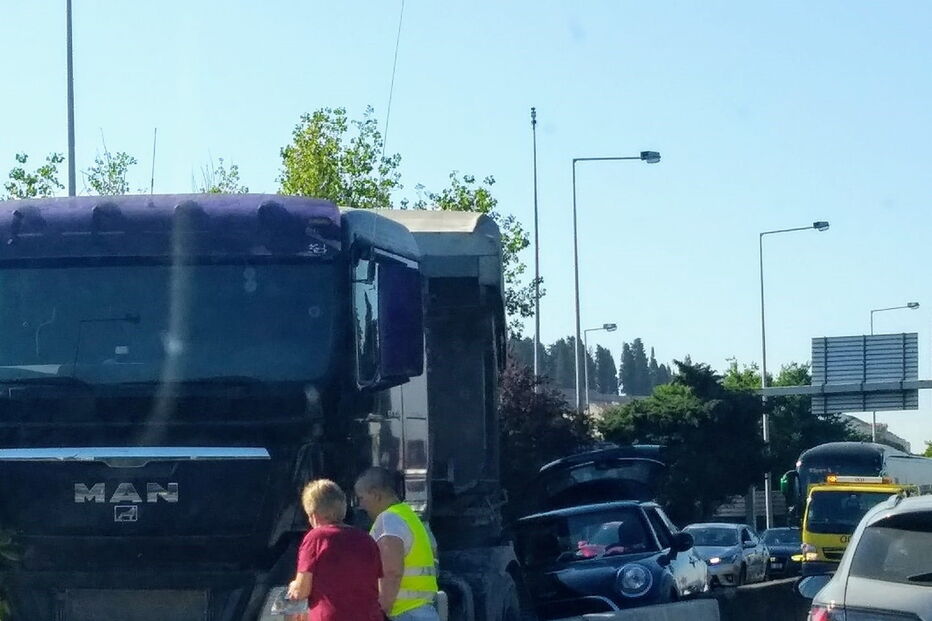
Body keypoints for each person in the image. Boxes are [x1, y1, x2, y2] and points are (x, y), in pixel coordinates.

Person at [286, 479, 383, 621]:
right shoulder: (367, 539)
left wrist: (294, 586)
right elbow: (376, 584)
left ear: (313, 515)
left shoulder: (316, 538)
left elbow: (302, 590)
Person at [354, 467, 440, 621]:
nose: (361, 505)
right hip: (422, 611)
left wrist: (379, 611)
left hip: (405, 614)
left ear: (375, 494)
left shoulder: (388, 520)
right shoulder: (408, 516)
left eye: (361, 498)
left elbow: (392, 572)